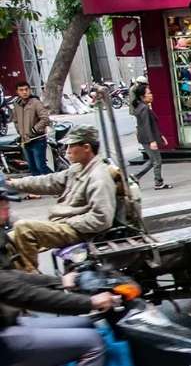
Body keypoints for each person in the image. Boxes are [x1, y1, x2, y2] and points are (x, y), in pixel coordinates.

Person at [6, 126, 117, 273]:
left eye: (71, 146)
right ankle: (21, 278)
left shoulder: (99, 176)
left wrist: (67, 222)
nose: (67, 150)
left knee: (24, 227)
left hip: (78, 231)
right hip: (63, 225)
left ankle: (34, 280)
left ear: (86, 147)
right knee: (8, 239)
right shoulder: (77, 169)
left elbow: (102, 219)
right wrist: (12, 184)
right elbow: (49, 181)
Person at [133, 85, 171, 190]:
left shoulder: (143, 106)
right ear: (142, 96)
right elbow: (146, 126)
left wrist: (161, 136)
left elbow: (151, 124)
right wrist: (152, 141)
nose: (151, 95)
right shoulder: (144, 108)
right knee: (157, 160)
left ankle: (135, 177)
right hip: (147, 139)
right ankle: (158, 182)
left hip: (146, 138)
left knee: (152, 160)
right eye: (149, 93)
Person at [12, 81, 51, 176]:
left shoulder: (36, 102)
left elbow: (45, 119)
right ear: (17, 92)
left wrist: (34, 130)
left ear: (29, 90)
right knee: (32, 168)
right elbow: (15, 120)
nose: (24, 92)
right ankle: (38, 189)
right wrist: (20, 132)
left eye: (26, 89)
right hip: (25, 141)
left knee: (41, 167)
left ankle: (52, 187)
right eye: (21, 90)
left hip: (37, 140)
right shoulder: (17, 104)